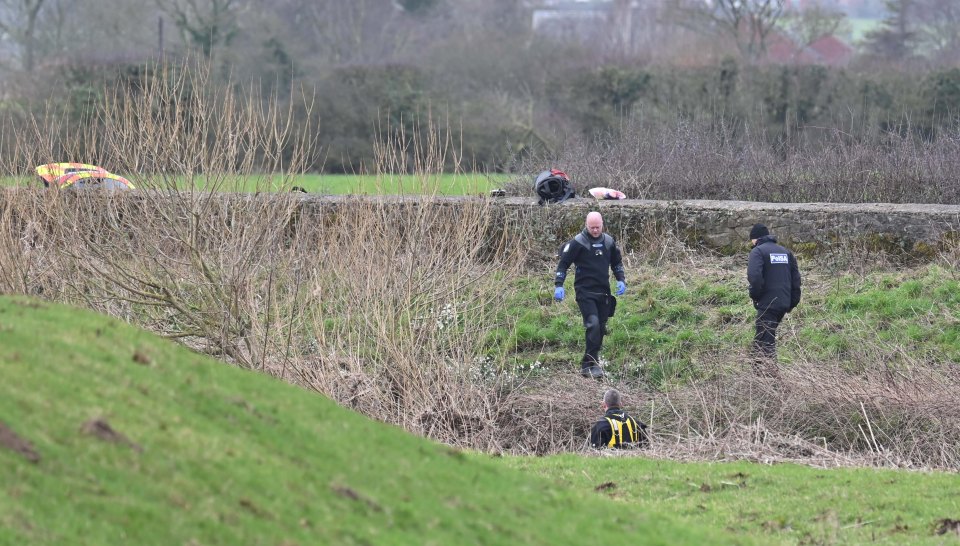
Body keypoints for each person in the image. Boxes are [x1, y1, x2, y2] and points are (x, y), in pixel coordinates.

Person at [554, 211, 626, 379]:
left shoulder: (608, 242)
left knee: (600, 328)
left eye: (598, 227)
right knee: (592, 325)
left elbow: (616, 263)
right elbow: (563, 264)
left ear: (602, 224)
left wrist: (621, 280)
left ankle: (593, 362)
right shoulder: (578, 243)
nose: (595, 230)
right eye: (591, 227)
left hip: (603, 292)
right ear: (586, 225)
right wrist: (559, 285)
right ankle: (588, 365)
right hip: (584, 291)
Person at [747, 223, 802, 376]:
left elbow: (755, 277)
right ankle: (756, 373)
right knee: (762, 335)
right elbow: (796, 280)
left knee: (766, 342)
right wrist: (792, 302)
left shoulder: (757, 252)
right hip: (783, 303)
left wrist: (755, 296)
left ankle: (772, 379)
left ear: (754, 239)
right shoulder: (785, 252)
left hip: (767, 303)